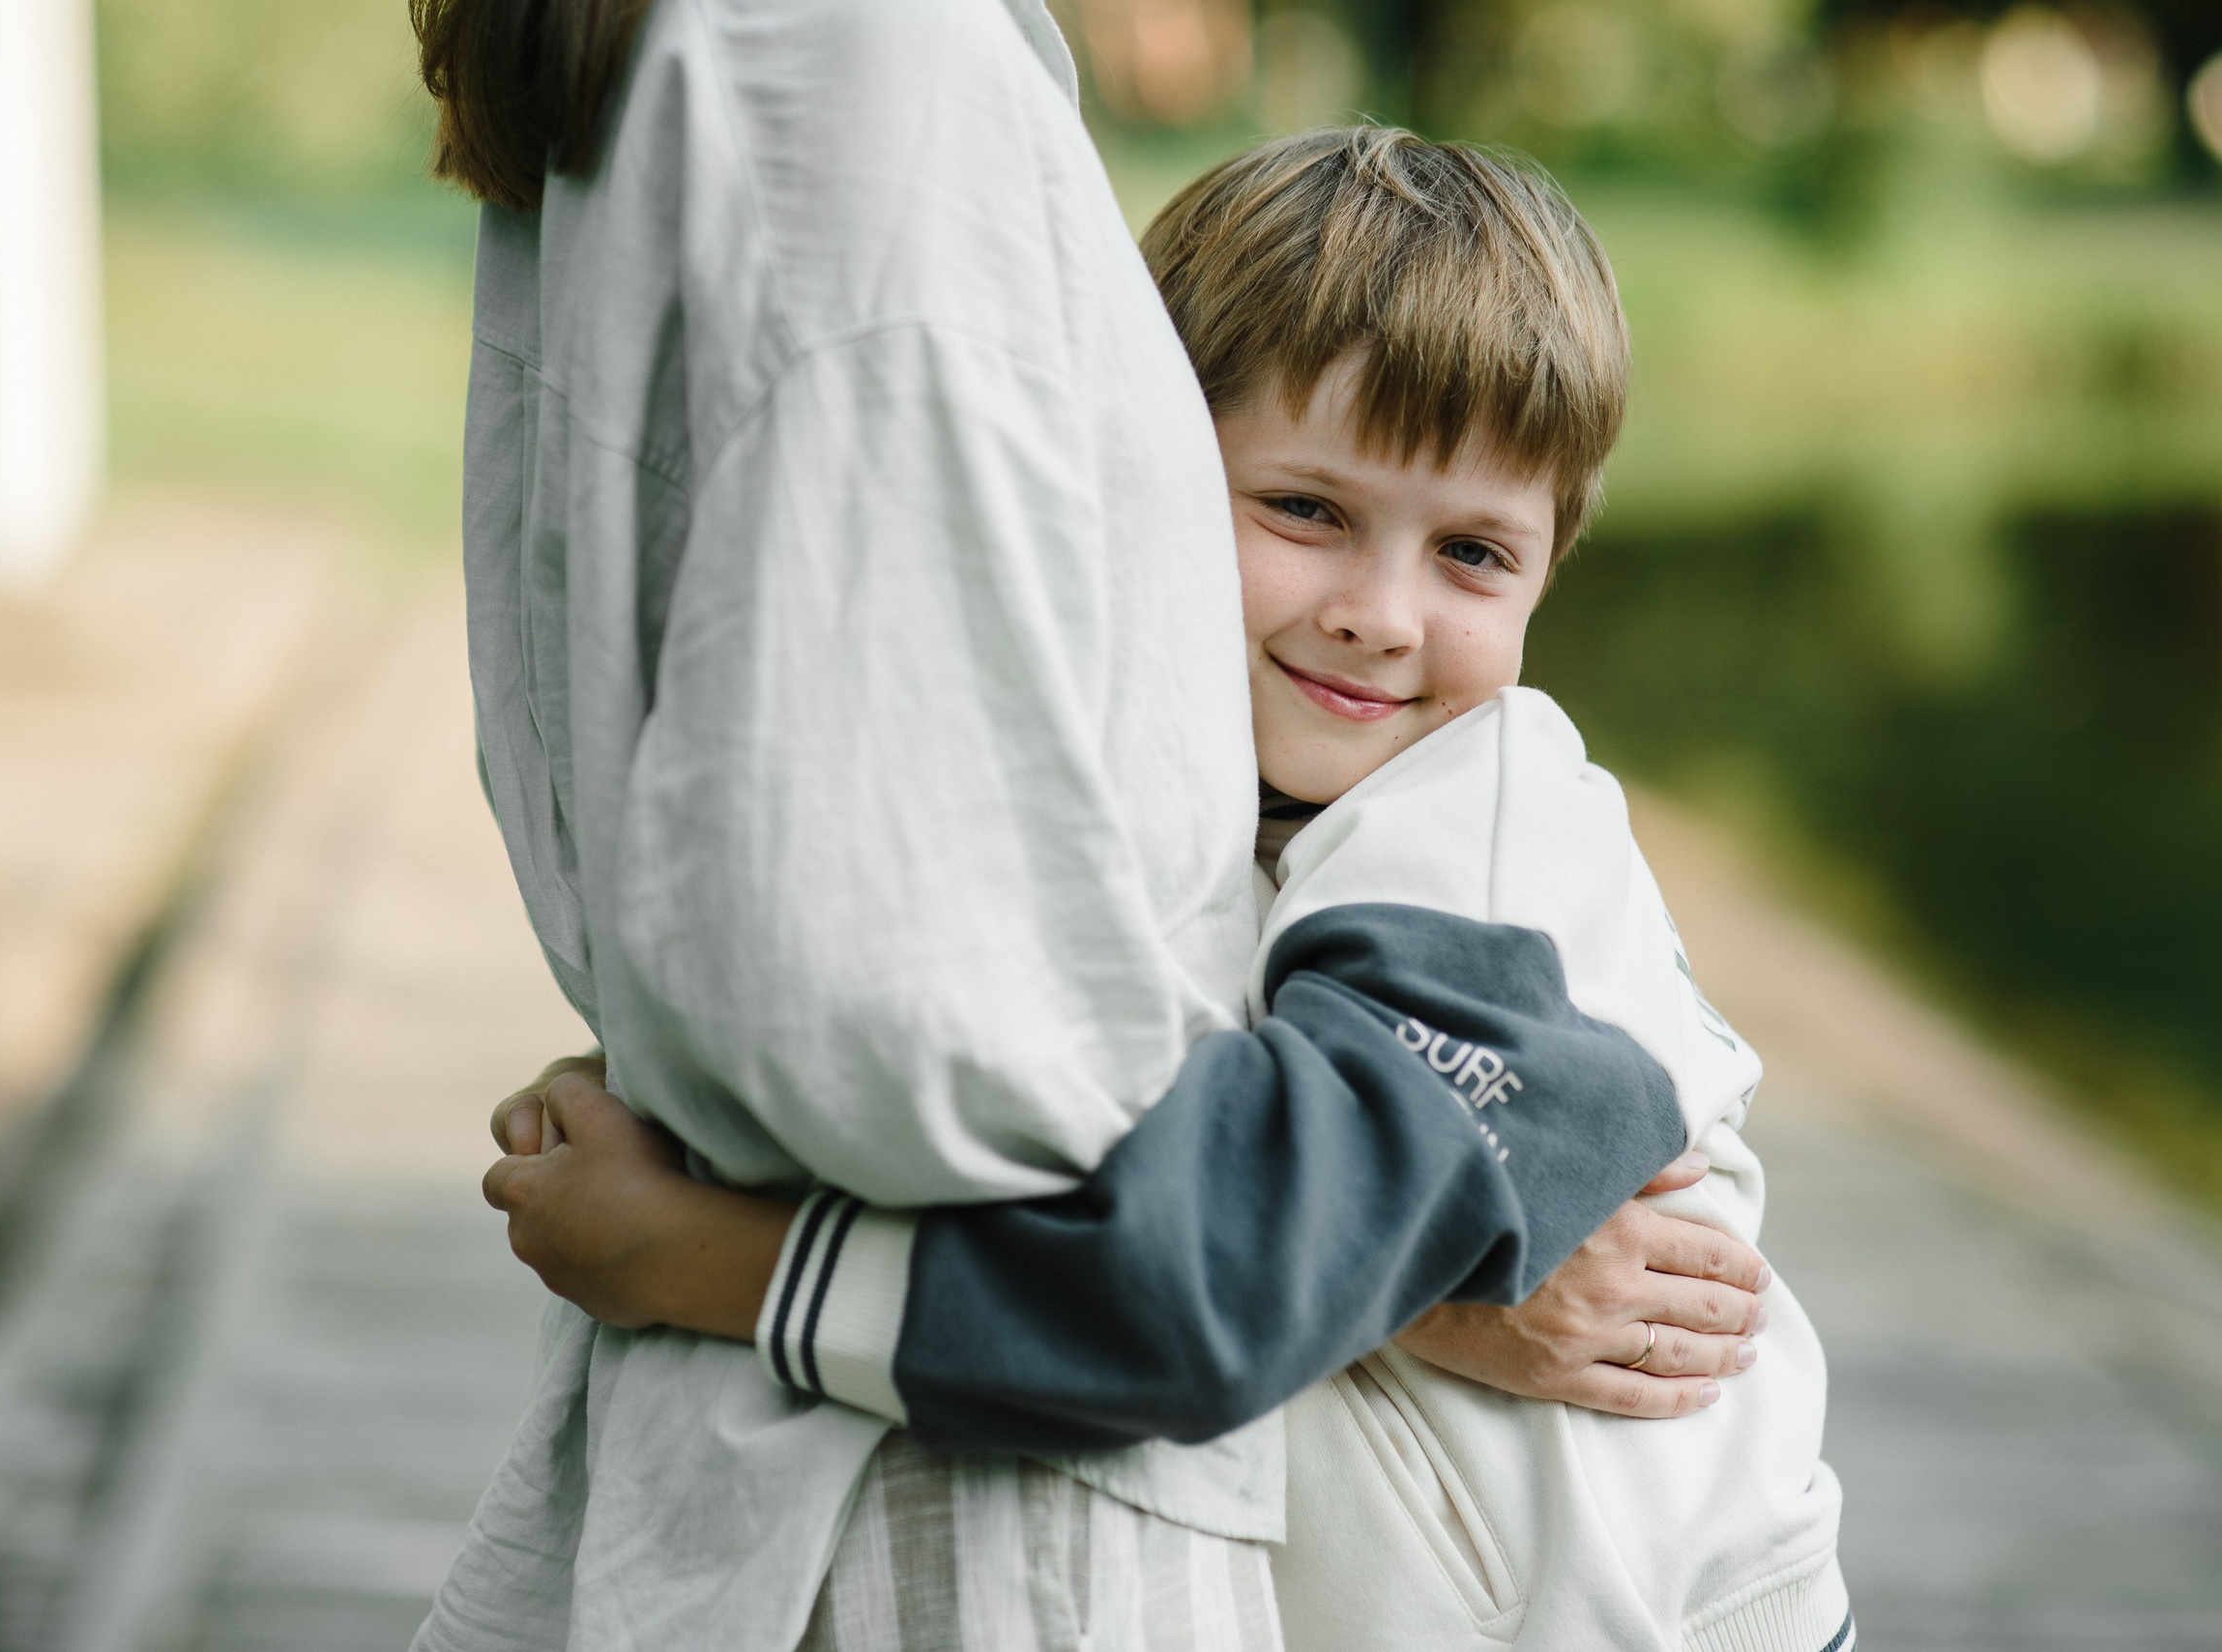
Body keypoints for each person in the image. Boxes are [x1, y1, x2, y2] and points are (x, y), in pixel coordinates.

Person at [416, 0, 1764, 1647]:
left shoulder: (1486, 859)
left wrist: (710, 1251)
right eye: (1304, 512)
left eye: (1473, 555)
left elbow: (1230, 1264)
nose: (1379, 613)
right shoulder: (1243, 820)